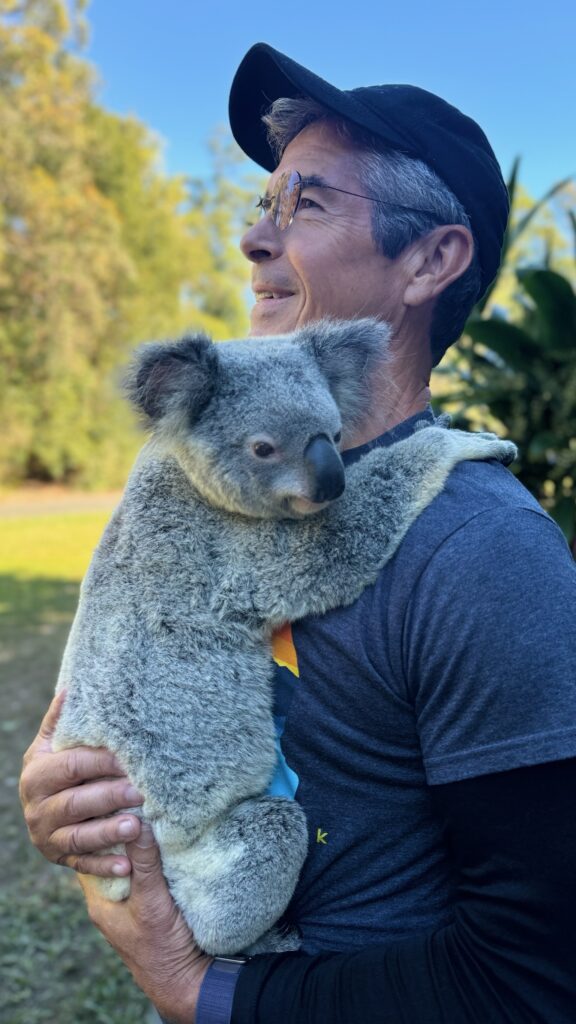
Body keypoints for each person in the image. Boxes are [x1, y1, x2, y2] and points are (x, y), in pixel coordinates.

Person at [20, 43, 576, 1024]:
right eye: (265, 204)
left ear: (431, 260)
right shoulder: (201, 485)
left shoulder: (483, 555)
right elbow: (106, 702)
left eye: (306, 205)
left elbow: (531, 982)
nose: (251, 239)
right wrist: (74, 798)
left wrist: (199, 989)